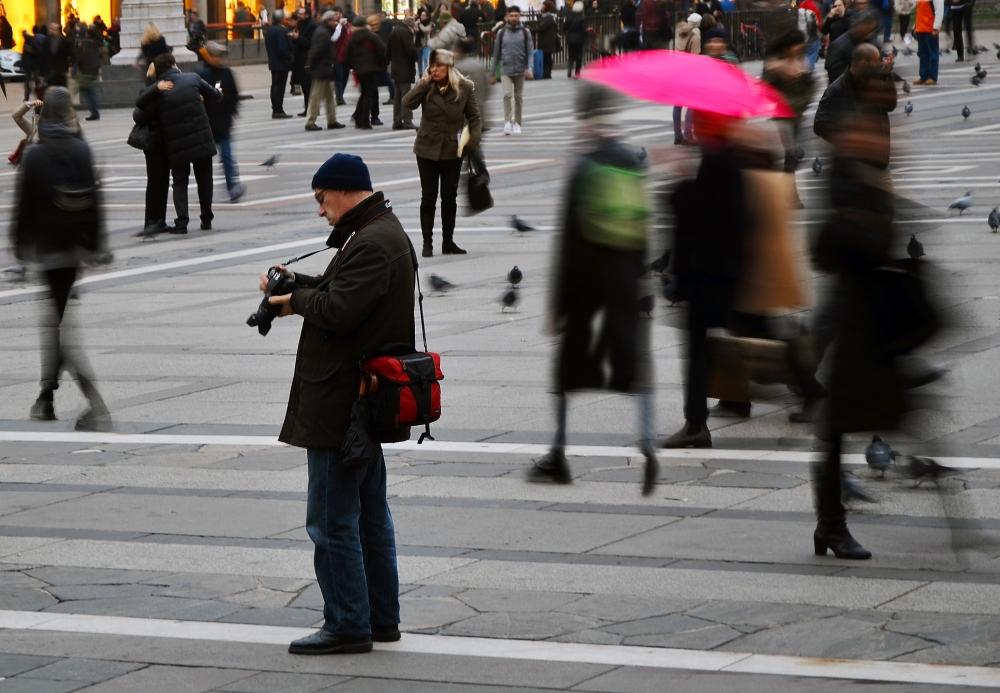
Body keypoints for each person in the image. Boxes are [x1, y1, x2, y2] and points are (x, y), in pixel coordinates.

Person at [261, 153, 412, 656]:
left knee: (332, 520)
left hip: (341, 403)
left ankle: (348, 622)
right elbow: (338, 291)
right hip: (359, 399)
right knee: (369, 514)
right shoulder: (375, 233)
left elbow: (339, 309)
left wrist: (295, 302)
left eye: (322, 199)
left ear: (344, 191)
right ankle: (380, 618)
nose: (321, 211)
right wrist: (298, 287)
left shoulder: (372, 241)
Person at [529, 83, 658, 494]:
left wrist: (557, 305)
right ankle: (648, 445)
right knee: (633, 366)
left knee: (567, 370)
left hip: (586, 283)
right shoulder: (630, 162)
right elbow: (642, 228)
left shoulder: (584, 167)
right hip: (624, 281)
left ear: (584, 119)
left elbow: (568, 241)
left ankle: (559, 453)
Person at [809, 43, 905, 561]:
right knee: (837, 423)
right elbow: (831, 247)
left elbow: (889, 105)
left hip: (867, 308)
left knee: (855, 418)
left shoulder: (875, 106)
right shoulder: (847, 169)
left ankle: (831, 522)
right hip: (854, 308)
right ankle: (831, 522)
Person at [12, 86, 112, 432]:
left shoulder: (36, 155)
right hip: (73, 252)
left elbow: (23, 207)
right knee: (56, 325)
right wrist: (97, 245)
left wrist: (19, 249)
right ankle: (46, 398)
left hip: (48, 251)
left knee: (57, 331)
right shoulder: (81, 149)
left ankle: (90, 403)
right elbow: (95, 200)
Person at [662, 109, 750, 449]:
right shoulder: (728, 156)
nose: (691, 127)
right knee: (724, 337)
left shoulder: (717, 160)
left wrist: (681, 181)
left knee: (697, 348)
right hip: (721, 270)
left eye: (697, 121)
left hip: (706, 272)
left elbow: (694, 210)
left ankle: (696, 423)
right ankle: (737, 399)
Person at [402, 48, 481, 257]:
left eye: (439, 66)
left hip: (451, 149)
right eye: (432, 66)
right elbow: (407, 103)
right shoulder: (427, 86)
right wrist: (424, 82)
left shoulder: (463, 87)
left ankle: (448, 242)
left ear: (449, 67)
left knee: (449, 197)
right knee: (428, 197)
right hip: (426, 147)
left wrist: (472, 143)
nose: (434, 70)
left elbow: (474, 117)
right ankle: (427, 243)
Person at [143, 53, 221, 234]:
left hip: (177, 143)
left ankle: (182, 222)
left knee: (179, 181)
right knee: (205, 180)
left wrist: (155, 87)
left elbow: (140, 106)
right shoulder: (192, 78)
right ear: (174, 65)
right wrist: (218, 93)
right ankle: (206, 218)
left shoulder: (161, 90)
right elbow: (214, 95)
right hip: (200, 139)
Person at [762, 29, 816, 209]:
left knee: (796, 155)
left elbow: (810, 87)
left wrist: (800, 79)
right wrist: (783, 75)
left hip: (797, 117)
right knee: (790, 156)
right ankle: (790, 196)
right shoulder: (773, 64)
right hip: (782, 118)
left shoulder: (803, 61)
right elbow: (766, 90)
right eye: (799, 44)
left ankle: (783, 190)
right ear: (789, 46)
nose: (802, 47)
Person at [198, 42, 244, 201]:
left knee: (226, 156)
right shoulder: (202, 74)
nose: (219, 59)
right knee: (203, 162)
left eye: (221, 56)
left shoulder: (228, 73)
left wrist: (231, 113)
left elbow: (234, 95)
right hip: (207, 125)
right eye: (216, 56)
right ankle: (204, 193)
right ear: (209, 57)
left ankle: (232, 187)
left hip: (223, 123)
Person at [133, 67, 171, 237]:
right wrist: (157, 91)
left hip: (166, 139)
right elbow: (140, 114)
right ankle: (150, 221)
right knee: (155, 180)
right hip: (153, 141)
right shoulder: (149, 89)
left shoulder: (170, 86)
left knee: (163, 180)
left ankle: (160, 220)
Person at [490, 6, 532, 135]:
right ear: (507, 17)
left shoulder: (525, 32)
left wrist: (529, 68)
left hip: (520, 69)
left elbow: (530, 52)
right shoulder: (501, 33)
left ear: (519, 16)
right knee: (507, 95)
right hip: (506, 69)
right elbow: (496, 54)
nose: (514, 18)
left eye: (516, 16)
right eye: (511, 16)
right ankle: (507, 122)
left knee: (518, 97)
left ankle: (517, 123)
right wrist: (492, 73)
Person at [304, 11, 347, 131]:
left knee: (329, 97)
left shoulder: (325, 31)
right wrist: (309, 64)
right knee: (316, 96)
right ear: (327, 21)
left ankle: (332, 120)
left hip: (326, 68)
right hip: (321, 69)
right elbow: (315, 50)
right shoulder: (322, 33)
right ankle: (310, 121)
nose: (335, 22)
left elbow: (336, 37)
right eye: (334, 20)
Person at [345, 14, 387, 129]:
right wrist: (381, 63)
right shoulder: (372, 36)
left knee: (364, 93)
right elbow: (383, 49)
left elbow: (347, 57)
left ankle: (359, 120)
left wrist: (354, 66)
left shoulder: (352, 38)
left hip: (359, 70)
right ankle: (364, 121)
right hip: (372, 69)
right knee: (368, 95)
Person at [825, 8, 881, 83]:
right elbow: (834, 74)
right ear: (856, 25)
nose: (868, 33)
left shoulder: (871, 41)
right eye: (866, 29)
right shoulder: (838, 45)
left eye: (871, 30)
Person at [388, 17, 419, 130]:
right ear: (410, 26)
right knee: (406, 95)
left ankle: (397, 120)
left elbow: (388, 51)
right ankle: (407, 120)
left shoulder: (394, 31)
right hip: (405, 68)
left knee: (397, 96)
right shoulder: (406, 33)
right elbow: (410, 49)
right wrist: (417, 56)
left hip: (396, 67)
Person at [674, 13, 700, 145]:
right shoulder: (694, 38)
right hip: (689, 73)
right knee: (692, 104)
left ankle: (677, 135)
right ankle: (688, 134)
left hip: (677, 72)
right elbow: (696, 58)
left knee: (677, 105)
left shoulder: (680, 35)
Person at [455, 37, 489, 128]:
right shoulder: (479, 65)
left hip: (464, 116)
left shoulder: (458, 67)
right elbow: (487, 89)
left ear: (459, 50)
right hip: (480, 113)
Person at [265, 10, 294, 118]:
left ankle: (275, 108)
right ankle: (278, 109)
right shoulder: (280, 30)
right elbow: (282, 47)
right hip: (281, 63)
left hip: (273, 62)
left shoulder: (269, 29)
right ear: (281, 19)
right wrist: (289, 57)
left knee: (275, 86)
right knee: (279, 87)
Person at [292, 8, 318, 115]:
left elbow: (310, 42)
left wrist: (298, 38)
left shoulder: (312, 25)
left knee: (309, 87)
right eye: (298, 14)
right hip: (301, 60)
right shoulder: (301, 24)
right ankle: (308, 108)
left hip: (307, 60)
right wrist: (295, 37)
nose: (299, 15)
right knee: (305, 86)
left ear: (307, 15)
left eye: (301, 14)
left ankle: (311, 109)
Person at [76, 25, 102, 121]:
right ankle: (94, 112)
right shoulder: (94, 42)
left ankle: (95, 112)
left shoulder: (87, 43)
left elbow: (83, 57)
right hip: (92, 70)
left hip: (87, 71)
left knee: (89, 92)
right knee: (89, 91)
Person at [913, 0, 942, 83]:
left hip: (930, 28)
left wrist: (936, 27)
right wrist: (915, 26)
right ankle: (923, 76)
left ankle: (932, 76)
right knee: (922, 54)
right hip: (921, 28)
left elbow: (939, 11)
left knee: (932, 53)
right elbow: (918, 11)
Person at [564, 2, 587, 78]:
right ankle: (577, 72)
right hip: (579, 39)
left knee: (571, 55)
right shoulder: (581, 19)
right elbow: (583, 30)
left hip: (570, 38)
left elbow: (565, 27)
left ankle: (569, 69)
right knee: (579, 56)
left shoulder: (569, 17)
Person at [537, 1, 558, 79]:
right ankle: (547, 72)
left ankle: (547, 73)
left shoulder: (548, 17)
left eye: (544, 6)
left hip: (547, 41)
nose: (542, 8)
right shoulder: (547, 16)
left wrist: (530, 30)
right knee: (547, 57)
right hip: (548, 40)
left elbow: (541, 28)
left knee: (547, 57)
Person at [416, 9, 434, 73]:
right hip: (418, 44)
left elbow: (425, 30)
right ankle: (420, 74)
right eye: (421, 15)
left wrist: (420, 24)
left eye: (423, 15)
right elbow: (414, 29)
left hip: (426, 44)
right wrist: (416, 24)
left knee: (426, 59)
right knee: (419, 60)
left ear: (427, 17)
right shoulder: (417, 22)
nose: (422, 17)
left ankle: (426, 73)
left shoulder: (430, 24)